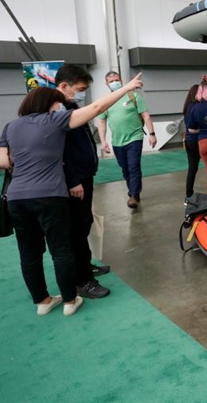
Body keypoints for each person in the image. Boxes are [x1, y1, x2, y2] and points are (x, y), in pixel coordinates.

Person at [0, 75, 143, 316]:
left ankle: (43, 302)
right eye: (57, 105)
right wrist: (127, 87)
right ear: (49, 106)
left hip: (16, 198)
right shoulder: (54, 120)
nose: (61, 107)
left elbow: (4, 161)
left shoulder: (11, 126)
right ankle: (69, 301)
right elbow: (97, 107)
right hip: (49, 196)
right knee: (61, 249)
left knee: (29, 252)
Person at [55, 65, 111, 299]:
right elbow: (59, 150)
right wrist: (72, 179)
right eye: (79, 89)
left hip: (83, 177)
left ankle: (86, 267)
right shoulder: (56, 109)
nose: (82, 94)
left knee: (84, 222)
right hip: (73, 181)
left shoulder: (70, 106)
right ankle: (82, 280)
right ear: (64, 86)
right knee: (76, 230)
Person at [97, 71, 157, 209]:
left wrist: (152, 134)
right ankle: (135, 192)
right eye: (111, 81)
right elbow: (101, 123)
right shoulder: (106, 101)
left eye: (116, 80)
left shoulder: (134, 96)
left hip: (135, 137)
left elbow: (146, 116)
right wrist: (103, 141)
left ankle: (133, 195)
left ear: (122, 80)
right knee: (125, 169)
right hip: (117, 141)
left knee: (133, 166)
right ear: (106, 84)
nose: (114, 83)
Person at [182, 84, 201, 202]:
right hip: (197, 140)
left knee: (192, 169)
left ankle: (189, 195)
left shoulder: (187, 107)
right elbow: (192, 128)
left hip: (189, 140)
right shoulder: (197, 107)